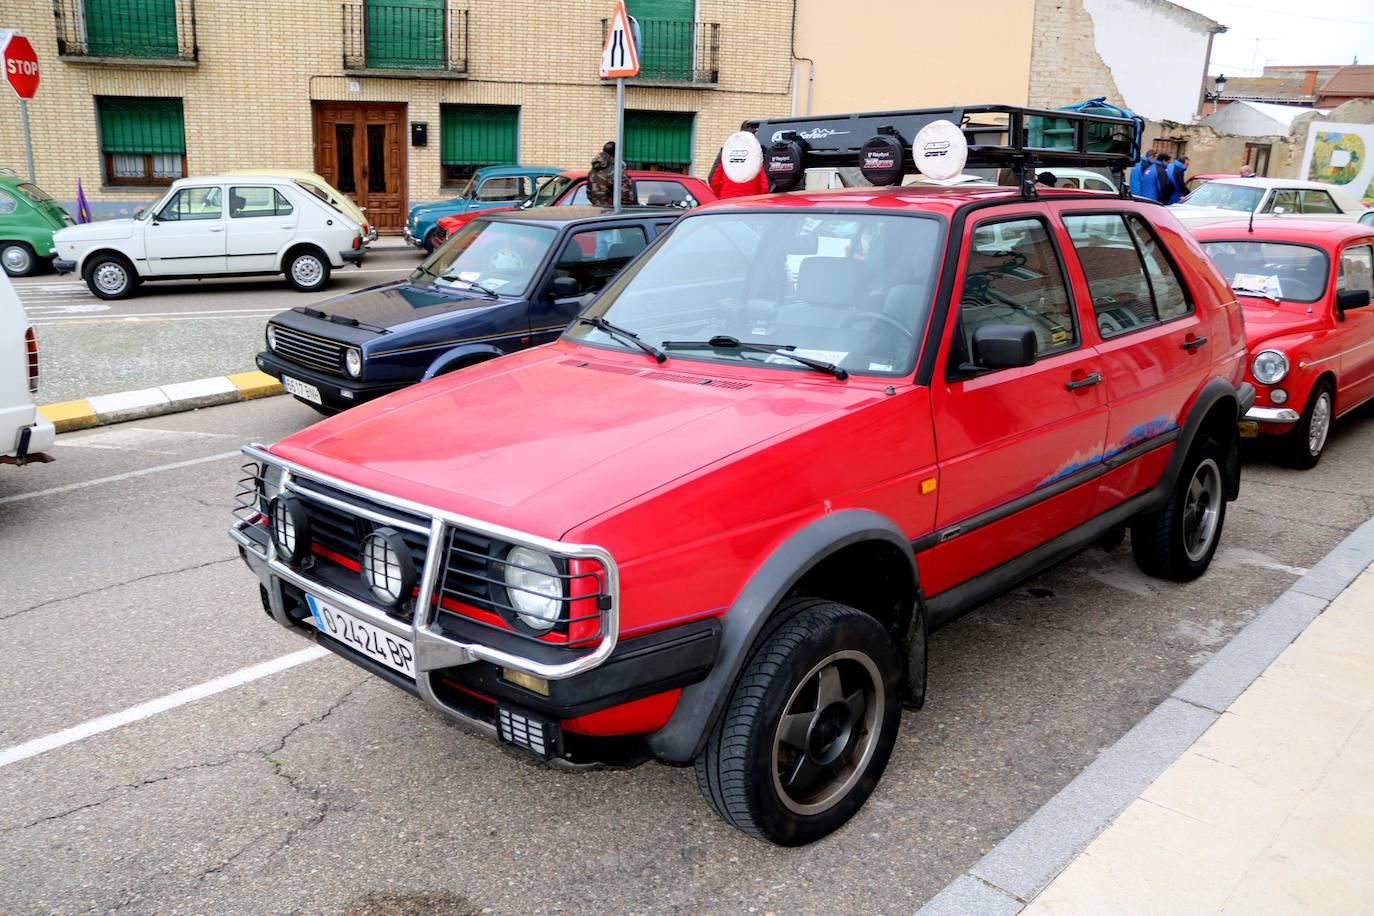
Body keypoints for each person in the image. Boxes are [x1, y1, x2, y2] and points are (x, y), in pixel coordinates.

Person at [708, 128, 770, 199]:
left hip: (726, 201)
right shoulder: (758, 157)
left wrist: (721, 196)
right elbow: (765, 186)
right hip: (751, 202)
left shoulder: (726, 155)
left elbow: (713, 180)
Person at [586, 141, 636, 208]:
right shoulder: (616, 172)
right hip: (612, 213)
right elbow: (627, 198)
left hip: (597, 213)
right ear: (616, 153)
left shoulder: (592, 171)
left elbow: (589, 194)